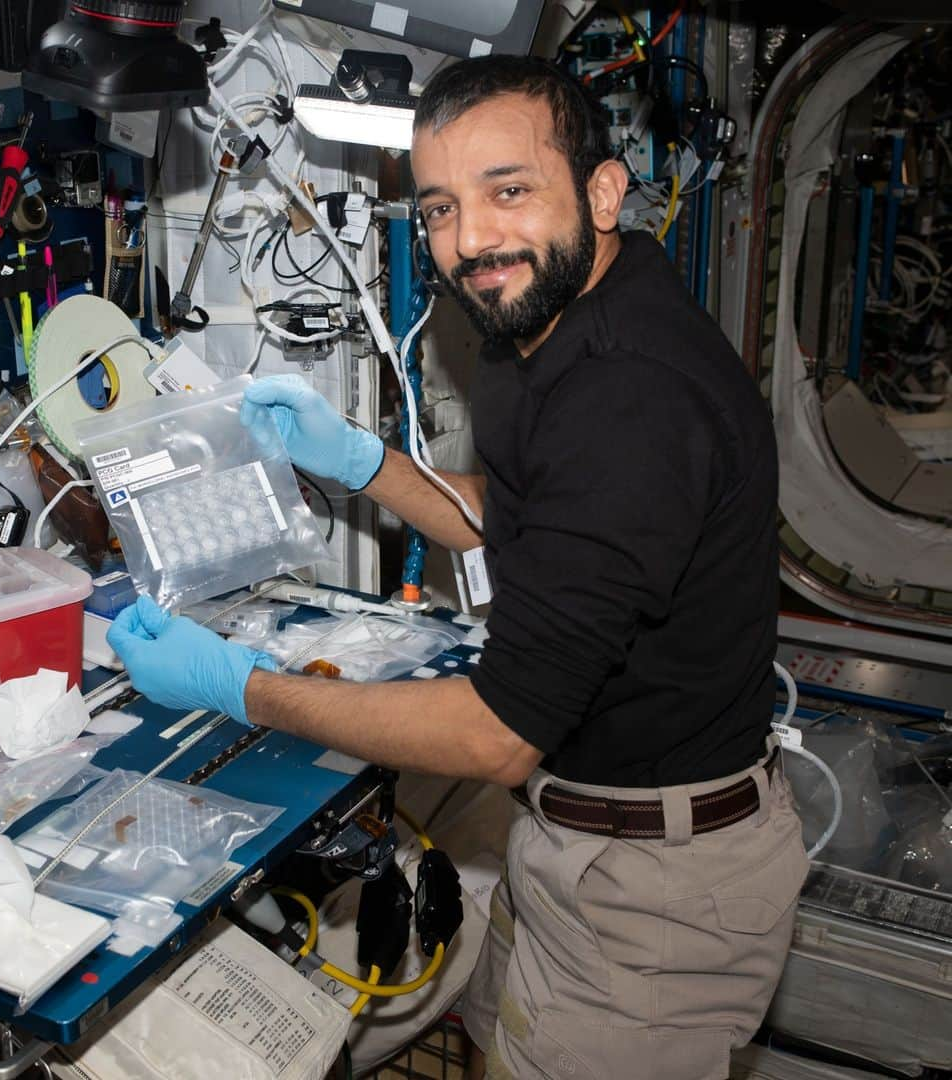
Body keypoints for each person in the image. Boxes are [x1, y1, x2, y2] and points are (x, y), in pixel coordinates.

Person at [108, 55, 809, 1080]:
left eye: (509, 192)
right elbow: (534, 525)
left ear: (603, 191)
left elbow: (493, 737)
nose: (471, 241)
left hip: (656, 891)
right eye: (440, 209)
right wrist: (363, 463)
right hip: (577, 834)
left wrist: (243, 687)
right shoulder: (560, 318)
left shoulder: (635, 403)